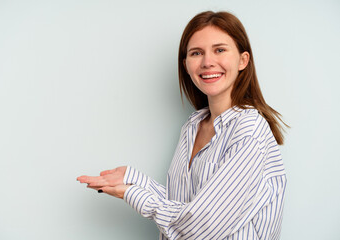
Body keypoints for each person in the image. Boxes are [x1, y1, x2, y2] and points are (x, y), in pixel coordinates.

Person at [77, 11, 287, 240]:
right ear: (186, 65)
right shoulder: (193, 126)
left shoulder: (249, 129)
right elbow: (184, 205)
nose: (207, 62)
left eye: (220, 50)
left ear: (243, 60)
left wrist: (134, 194)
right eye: (197, 53)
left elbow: (202, 223)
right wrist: (134, 179)